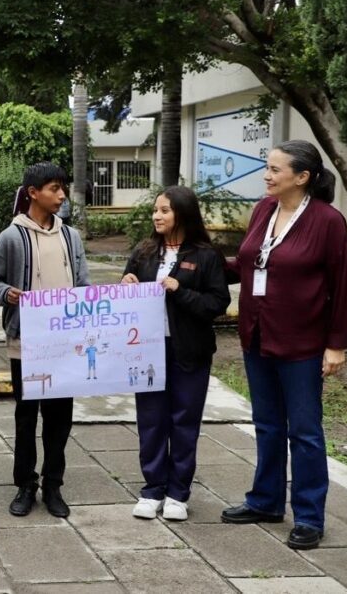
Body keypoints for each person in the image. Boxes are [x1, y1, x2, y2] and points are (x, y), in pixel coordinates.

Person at [220, 140, 347, 550]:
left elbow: (343, 287)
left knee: (306, 431)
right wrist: (190, 263)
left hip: (303, 343)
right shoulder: (264, 210)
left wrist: (336, 345)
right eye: (267, 167)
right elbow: (247, 264)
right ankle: (265, 500)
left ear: (302, 177)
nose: (267, 175)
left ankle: (310, 517)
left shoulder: (328, 221)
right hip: (257, 335)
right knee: (266, 424)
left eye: (275, 170)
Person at [0, 163, 89, 519]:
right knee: (27, 416)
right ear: (33, 193)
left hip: (65, 342)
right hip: (26, 342)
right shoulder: (12, 237)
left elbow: (83, 285)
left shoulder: (70, 237)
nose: (61, 196)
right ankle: (25, 484)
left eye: (62, 189)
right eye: (54, 189)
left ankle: (53, 485)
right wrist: (8, 293)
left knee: (61, 416)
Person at [121, 186, 230, 522]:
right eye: (156, 209)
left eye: (165, 210)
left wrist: (180, 290)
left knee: (184, 420)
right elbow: (128, 292)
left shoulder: (205, 255)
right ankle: (152, 488)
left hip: (189, 351)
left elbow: (217, 304)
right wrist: (125, 284)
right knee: (151, 420)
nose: (157, 215)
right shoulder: (144, 252)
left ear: (182, 213)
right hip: (148, 350)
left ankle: (178, 493)